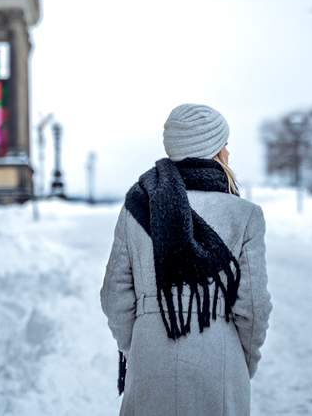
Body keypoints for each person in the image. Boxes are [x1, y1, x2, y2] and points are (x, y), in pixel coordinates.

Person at [100, 104, 272, 416]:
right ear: (215, 150)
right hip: (219, 356)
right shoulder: (244, 215)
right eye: (225, 144)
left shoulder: (137, 206)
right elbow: (253, 306)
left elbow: (114, 295)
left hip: (150, 357)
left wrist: (138, 343)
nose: (228, 152)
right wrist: (242, 359)